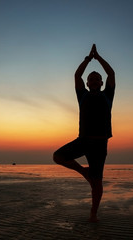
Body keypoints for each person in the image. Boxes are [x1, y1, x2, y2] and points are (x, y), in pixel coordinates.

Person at [53, 44, 115, 222]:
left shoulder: (108, 95)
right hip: (84, 141)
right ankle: (84, 172)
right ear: (87, 83)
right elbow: (77, 75)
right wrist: (88, 58)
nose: (94, 81)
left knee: (97, 183)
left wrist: (99, 57)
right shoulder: (82, 95)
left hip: (100, 144)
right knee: (57, 156)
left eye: (97, 79)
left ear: (101, 83)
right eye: (91, 79)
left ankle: (93, 213)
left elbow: (111, 74)